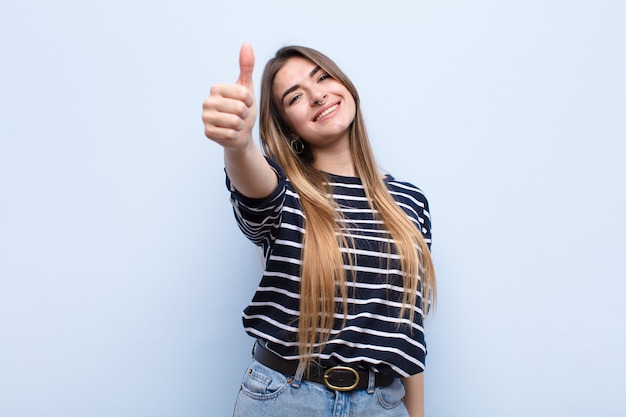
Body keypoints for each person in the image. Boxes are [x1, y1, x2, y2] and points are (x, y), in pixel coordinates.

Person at [202, 42, 436, 417]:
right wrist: (238, 143)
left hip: (381, 404)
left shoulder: (410, 202)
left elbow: (409, 330)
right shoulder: (283, 190)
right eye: (295, 97)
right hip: (285, 400)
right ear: (287, 127)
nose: (317, 95)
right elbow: (251, 178)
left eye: (323, 77)